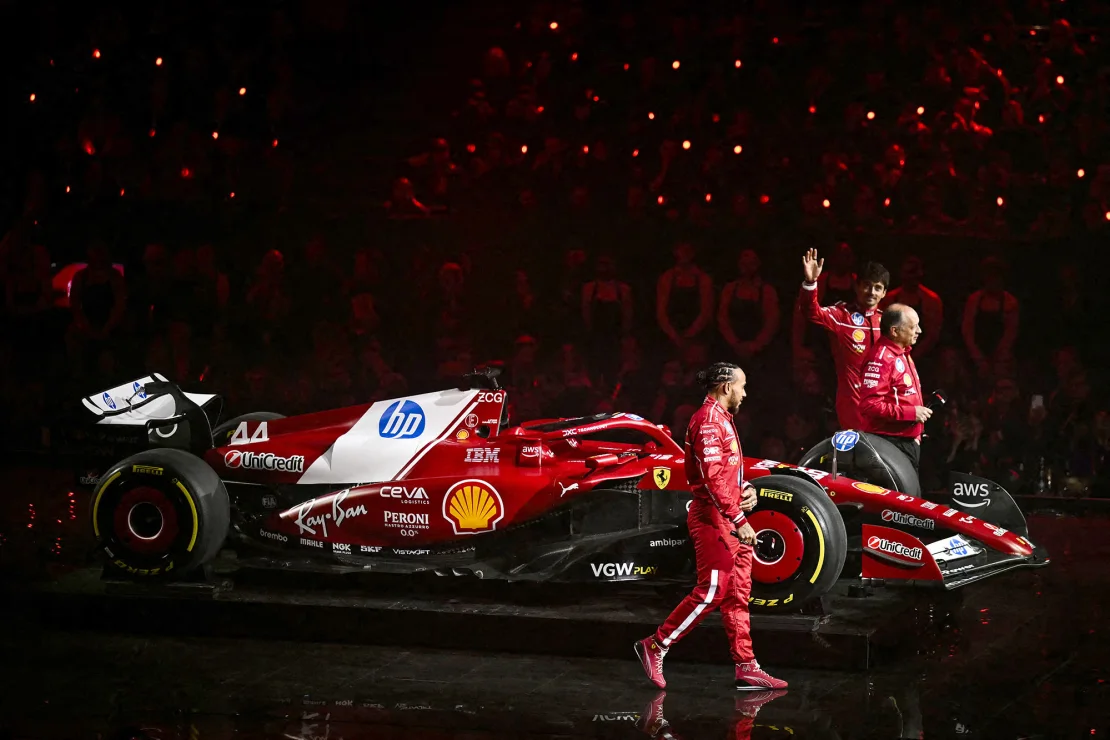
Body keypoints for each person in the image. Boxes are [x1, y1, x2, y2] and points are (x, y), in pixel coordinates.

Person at [635, 362, 788, 692]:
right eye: (743, 386)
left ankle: (747, 666)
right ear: (726, 387)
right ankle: (655, 645)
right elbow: (712, 479)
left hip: (729, 516)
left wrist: (747, 491)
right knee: (712, 592)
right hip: (712, 520)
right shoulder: (706, 421)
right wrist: (740, 519)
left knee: (737, 596)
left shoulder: (723, 420)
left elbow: (728, 473)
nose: (746, 393)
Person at [796, 248, 889, 430]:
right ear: (856, 286)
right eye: (867, 285)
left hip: (883, 407)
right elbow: (811, 311)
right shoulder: (842, 316)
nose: (871, 292)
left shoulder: (887, 322)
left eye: (878, 288)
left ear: (884, 293)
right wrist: (810, 283)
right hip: (851, 407)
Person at [858, 304, 932, 472]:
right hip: (888, 444)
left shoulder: (903, 352)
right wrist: (912, 413)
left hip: (905, 441)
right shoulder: (881, 359)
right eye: (913, 327)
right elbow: (869, 406)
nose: (919, 331)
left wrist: (916, 435)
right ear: (894, 331)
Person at [880, 256, 943, 359]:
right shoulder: (889, 299)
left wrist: (912, 356)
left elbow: (932, 335)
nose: (914, 277)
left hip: (924, 356)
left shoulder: (931, 300)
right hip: (893, 352)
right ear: (901, 273)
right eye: (910, 272)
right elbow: (883, 329)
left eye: (916, 272)